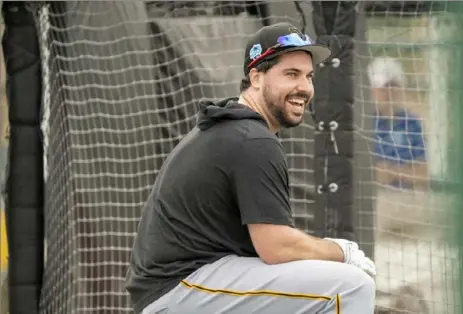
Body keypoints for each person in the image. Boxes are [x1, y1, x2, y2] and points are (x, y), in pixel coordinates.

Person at [126, 22, 376, 314]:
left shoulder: (235, 127)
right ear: (256, 77)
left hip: (183, 286)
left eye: (309, 76)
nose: (304, 87)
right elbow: (276, 247)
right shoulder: (252, 138)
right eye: (291, 74)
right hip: (179, 289)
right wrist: (340, 252)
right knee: (352, 285)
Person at [367, 57, 428, 190]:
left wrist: (391, 172)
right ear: (372, 90)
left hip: (406, 200)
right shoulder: (365, 123)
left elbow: (423, 174)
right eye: (383, 88)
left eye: (393, 86)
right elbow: (367, 174)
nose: (389, 93)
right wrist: (406, 171)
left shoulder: (412, 124)